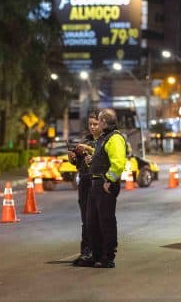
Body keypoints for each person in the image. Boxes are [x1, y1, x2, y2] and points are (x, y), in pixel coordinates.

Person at [86, 108, 127, 268]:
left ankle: (107, 257)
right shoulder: (105, 137)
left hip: (105, 185)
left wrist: (109, 180)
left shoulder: (115, 138)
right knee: (92, 222)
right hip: (96, 184)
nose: (97, 123)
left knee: (106, 221)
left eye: (99, 121)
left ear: (104, 122)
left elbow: (118, 164)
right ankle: (96, 256)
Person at [69, 110, 101, 266]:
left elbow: (106, 157)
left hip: (99, 181)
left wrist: (90, 153)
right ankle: (86, 252)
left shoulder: (106, 140)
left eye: (96, 124)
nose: (93, 127)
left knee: (96, 218)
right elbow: (79, 164)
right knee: (85, 218)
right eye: (90, 124)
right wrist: (73, 158)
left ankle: (99, 252)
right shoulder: (85, 141)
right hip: (85, 180)